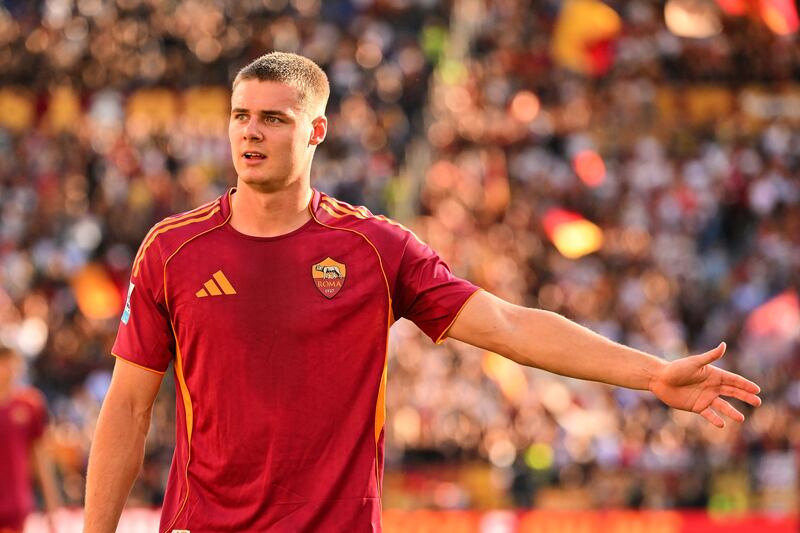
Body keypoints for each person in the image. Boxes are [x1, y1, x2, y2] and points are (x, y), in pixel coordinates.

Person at [83, 52, 762, 533]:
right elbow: (128, 406)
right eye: (240, 116)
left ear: (316, 130)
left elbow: (510, 327)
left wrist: (651, 375)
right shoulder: (173, 248)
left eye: (274, 118)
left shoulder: (376, 249)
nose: (251, 132)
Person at [0, 346, 61, 533]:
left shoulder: (30, 403)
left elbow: (40, 456)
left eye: (13, 364)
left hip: (15, 503)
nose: (9, 370)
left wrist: (52, 504)